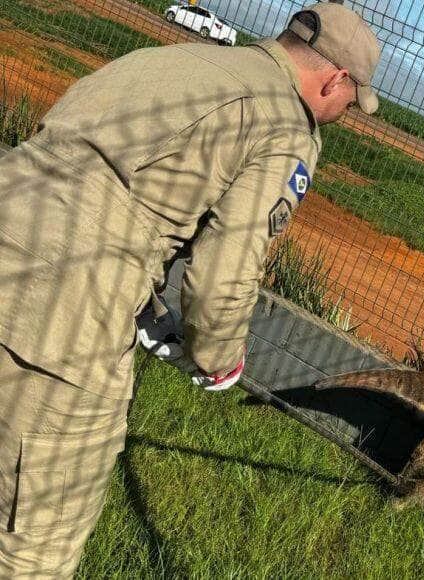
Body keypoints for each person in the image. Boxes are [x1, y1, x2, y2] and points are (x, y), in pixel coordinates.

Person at [0, 2, 380, 576]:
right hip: (66, 305)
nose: (347, 113)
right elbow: (224, 279)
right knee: (36, 540)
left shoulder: (182, 61)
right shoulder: (286, 125)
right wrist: (217, 357)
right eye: (353, 102)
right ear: (335, 80)